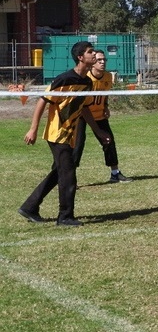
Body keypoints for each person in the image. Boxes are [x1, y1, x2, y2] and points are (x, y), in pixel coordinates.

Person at [18, 41, 111, 227]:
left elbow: (84, 108)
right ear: (80, 57)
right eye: (90, 52)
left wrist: (98, 131)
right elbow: (42, 101)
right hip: (56, 133)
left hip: (70, 134)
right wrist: (33, 128)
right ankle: (65, 217)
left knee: (60, 171)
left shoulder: (86, 82)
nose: (95, 55)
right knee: (68, 173)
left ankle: (30, 207)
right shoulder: (64, 79)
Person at [72, 49, 131, 183]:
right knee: (77, 144)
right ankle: (70, 177)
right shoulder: (85, 78)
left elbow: (105, 95)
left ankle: (115, 173)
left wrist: (105, 106)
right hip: (81, 114)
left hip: (98, 114)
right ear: (92, 63)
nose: (103, 62)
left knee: (108, 140)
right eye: (99, 60)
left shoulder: (108, 76)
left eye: (104, 60)